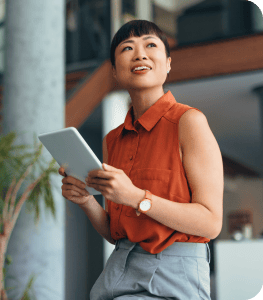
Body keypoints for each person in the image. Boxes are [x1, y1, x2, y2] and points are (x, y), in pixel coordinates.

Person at [59, 19, 223, 300]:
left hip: (174, 274)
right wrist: (86, 200)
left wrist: (136, 197)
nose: (140, 54)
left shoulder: (189, 122)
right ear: (113, 71)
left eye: (150, 45)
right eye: (127, 48)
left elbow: (210, 223)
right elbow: (116, 233)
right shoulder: (113, 139)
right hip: (118, 270)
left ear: (168, 63)